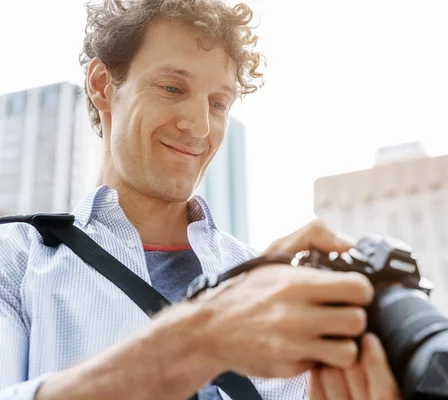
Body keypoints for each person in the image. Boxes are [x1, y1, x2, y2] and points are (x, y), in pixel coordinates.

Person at [0, 1, 402, 399]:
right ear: (103, 84)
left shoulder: (266, 285)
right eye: (172, 87)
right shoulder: (14, 258)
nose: (198, 126)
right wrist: (201, 339)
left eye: (219, 104)